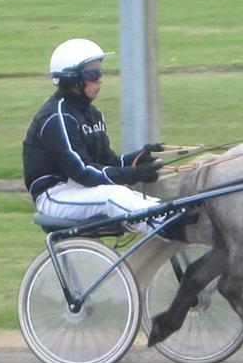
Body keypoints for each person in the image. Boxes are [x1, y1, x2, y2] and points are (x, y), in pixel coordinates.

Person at [22, 39, 168, 235]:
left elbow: (107, 161)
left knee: (153, 204)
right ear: (71, 79)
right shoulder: (57, 118)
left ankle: (169, 221)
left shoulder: (92, 114)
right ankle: (167, 227)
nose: (99, 79)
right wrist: (135, 173)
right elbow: (83, 172)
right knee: (114, 196)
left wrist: (137, 157)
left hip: (81, 189)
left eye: (100, 72)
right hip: (55, 195)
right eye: (92, 74)